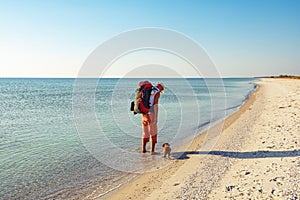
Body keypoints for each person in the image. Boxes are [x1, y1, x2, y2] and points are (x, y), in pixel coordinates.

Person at [141, 83, 164, 154]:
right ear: (160, 88)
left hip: (144, 113)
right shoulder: (157, 93)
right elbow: (155, 106)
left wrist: (145, 114)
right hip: (151, 113)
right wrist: (156, 118)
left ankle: (143, 150)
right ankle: (152, 151)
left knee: (145, 133)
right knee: (153, 133)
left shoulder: (147, 90)